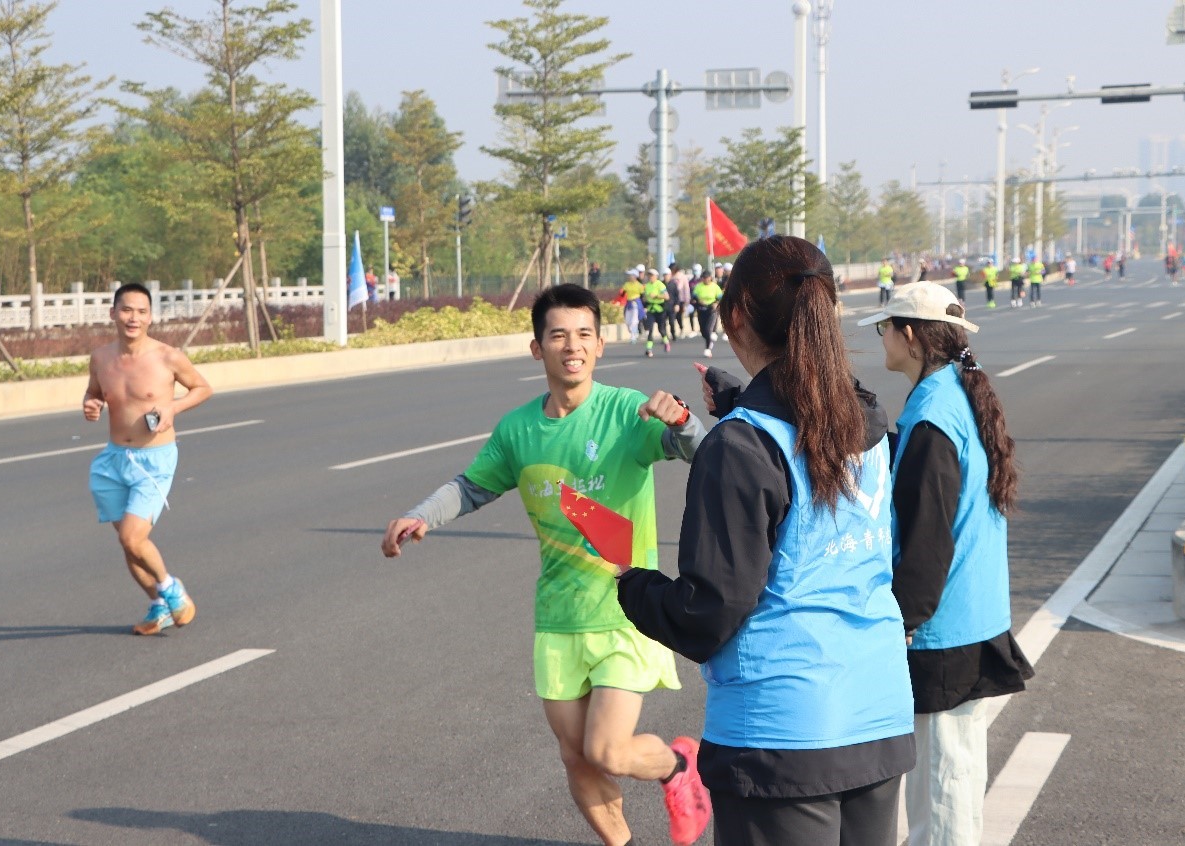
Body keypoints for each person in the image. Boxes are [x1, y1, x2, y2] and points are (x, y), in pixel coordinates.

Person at [381, 284, 712, 846]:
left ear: (600, 345)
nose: (572, 346)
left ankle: (680, 766)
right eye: (558, 335)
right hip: (559, 616)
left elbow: (699, 453)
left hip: (626, 610)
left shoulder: (625, 411)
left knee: (607, 749)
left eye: (584, 334)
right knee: (576, 757)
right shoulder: (518, 429)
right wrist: (420, 516)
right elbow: (472, 486)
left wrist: (682, 420)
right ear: (538, 348)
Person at [619, 235, 915, 846]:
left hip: (780, 733)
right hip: (879, 713)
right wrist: (740, 402)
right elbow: (805, 435)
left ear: (735, 316)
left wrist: (632, 585)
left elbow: (709, 611)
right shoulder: (868, 421)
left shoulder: (741, 446)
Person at [857, 281, 1033, 846]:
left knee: (941, 793)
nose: (882, 338)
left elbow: (926, 536)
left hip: (943, 628)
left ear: (909, 335)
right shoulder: (956, 391)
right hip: (970, 616)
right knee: (953, 778)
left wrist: (903, 620)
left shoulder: (933, 414)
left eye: (885, 327)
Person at [83, 282, 213, 635]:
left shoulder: (168, 357)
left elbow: (203, 388)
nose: (133, 318)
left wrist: (173, 407)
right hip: (113, 460)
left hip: (153, 459)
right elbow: (94, 393)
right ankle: (159, 605)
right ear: (113, 313)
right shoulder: (100, 358)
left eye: (141, 311)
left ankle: (172, 589)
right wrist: (91, 405)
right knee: (130, 545)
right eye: (126, 310)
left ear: (151, 317)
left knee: (132, 538)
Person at [691, 269, 721, 358]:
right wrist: (698, 301)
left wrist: (716, 303)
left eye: (707, 277)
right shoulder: (698, 286)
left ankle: (708, 349)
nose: (705, 279)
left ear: (710, 278)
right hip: (701, 310)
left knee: (708, 329)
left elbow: (721, 298)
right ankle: (709, 340)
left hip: (711, 310)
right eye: (703, 278)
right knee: (703, 331)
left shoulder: (715, 287)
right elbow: (693, 297)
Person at [641, 268, 671, 358]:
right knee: (649, 329)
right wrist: (645, 301)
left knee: (661, 329)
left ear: (656, 276)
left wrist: (656, 296)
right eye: (649, 275)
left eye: (652, 275)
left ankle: (666, 342)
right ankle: (649, 349)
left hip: (660, 309)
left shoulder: (660, 285)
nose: (650, 277)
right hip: (651, 309)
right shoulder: (647, 286)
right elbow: (644, 297)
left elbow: (667, 297)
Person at [618, 269, 644, 343]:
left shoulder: (639, 285)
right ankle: (634, 332)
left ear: (635, 276)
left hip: (636, 303)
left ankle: (633, 336)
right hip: (629, 303)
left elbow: (642, 296)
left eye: (631, 275)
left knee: (634, 321)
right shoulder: (627, 284)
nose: (629, 277)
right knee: (628, 320)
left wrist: (643, 306)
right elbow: (623, 293)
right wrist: (621, 292)